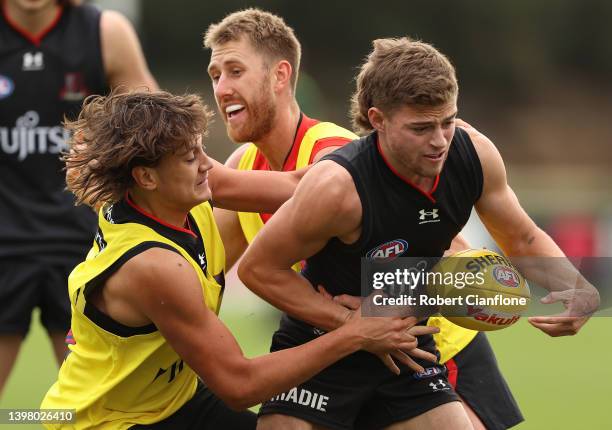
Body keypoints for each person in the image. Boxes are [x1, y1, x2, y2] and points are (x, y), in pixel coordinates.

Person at [239, 37, 599, 430]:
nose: (440, 140)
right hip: (320, 343)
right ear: (377, 120)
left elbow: (524, 238)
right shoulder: (337, 187)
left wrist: (578, 288)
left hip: (406, 344)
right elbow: (258, 269)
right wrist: (350, 325)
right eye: (421, 127)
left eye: (448, 121)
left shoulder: (473, 155)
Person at [204, 9, 522, 430]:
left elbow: (450, 253)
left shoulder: (330, 148)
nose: (222, 88)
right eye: (215, 75)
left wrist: (191, 171)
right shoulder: (245, 164)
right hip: (356, 347)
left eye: (236, 71)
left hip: (435, 344)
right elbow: (205, 278)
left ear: (281, 75)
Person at [40, 90, 427, 430]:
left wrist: (389, 148)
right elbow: (239, 384)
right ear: (146, 177)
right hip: (107, 421)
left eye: (201, 149)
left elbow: (298, 185)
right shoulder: (154, 266)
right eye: (191, 157)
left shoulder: (190, 190)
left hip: (173, 402)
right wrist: (353, 334)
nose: (209, 164)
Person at [0, 0, 157, 397]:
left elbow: (156, 131)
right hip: (2, 245)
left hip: (83, 245)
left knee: (97, 409)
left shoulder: (105, 33)